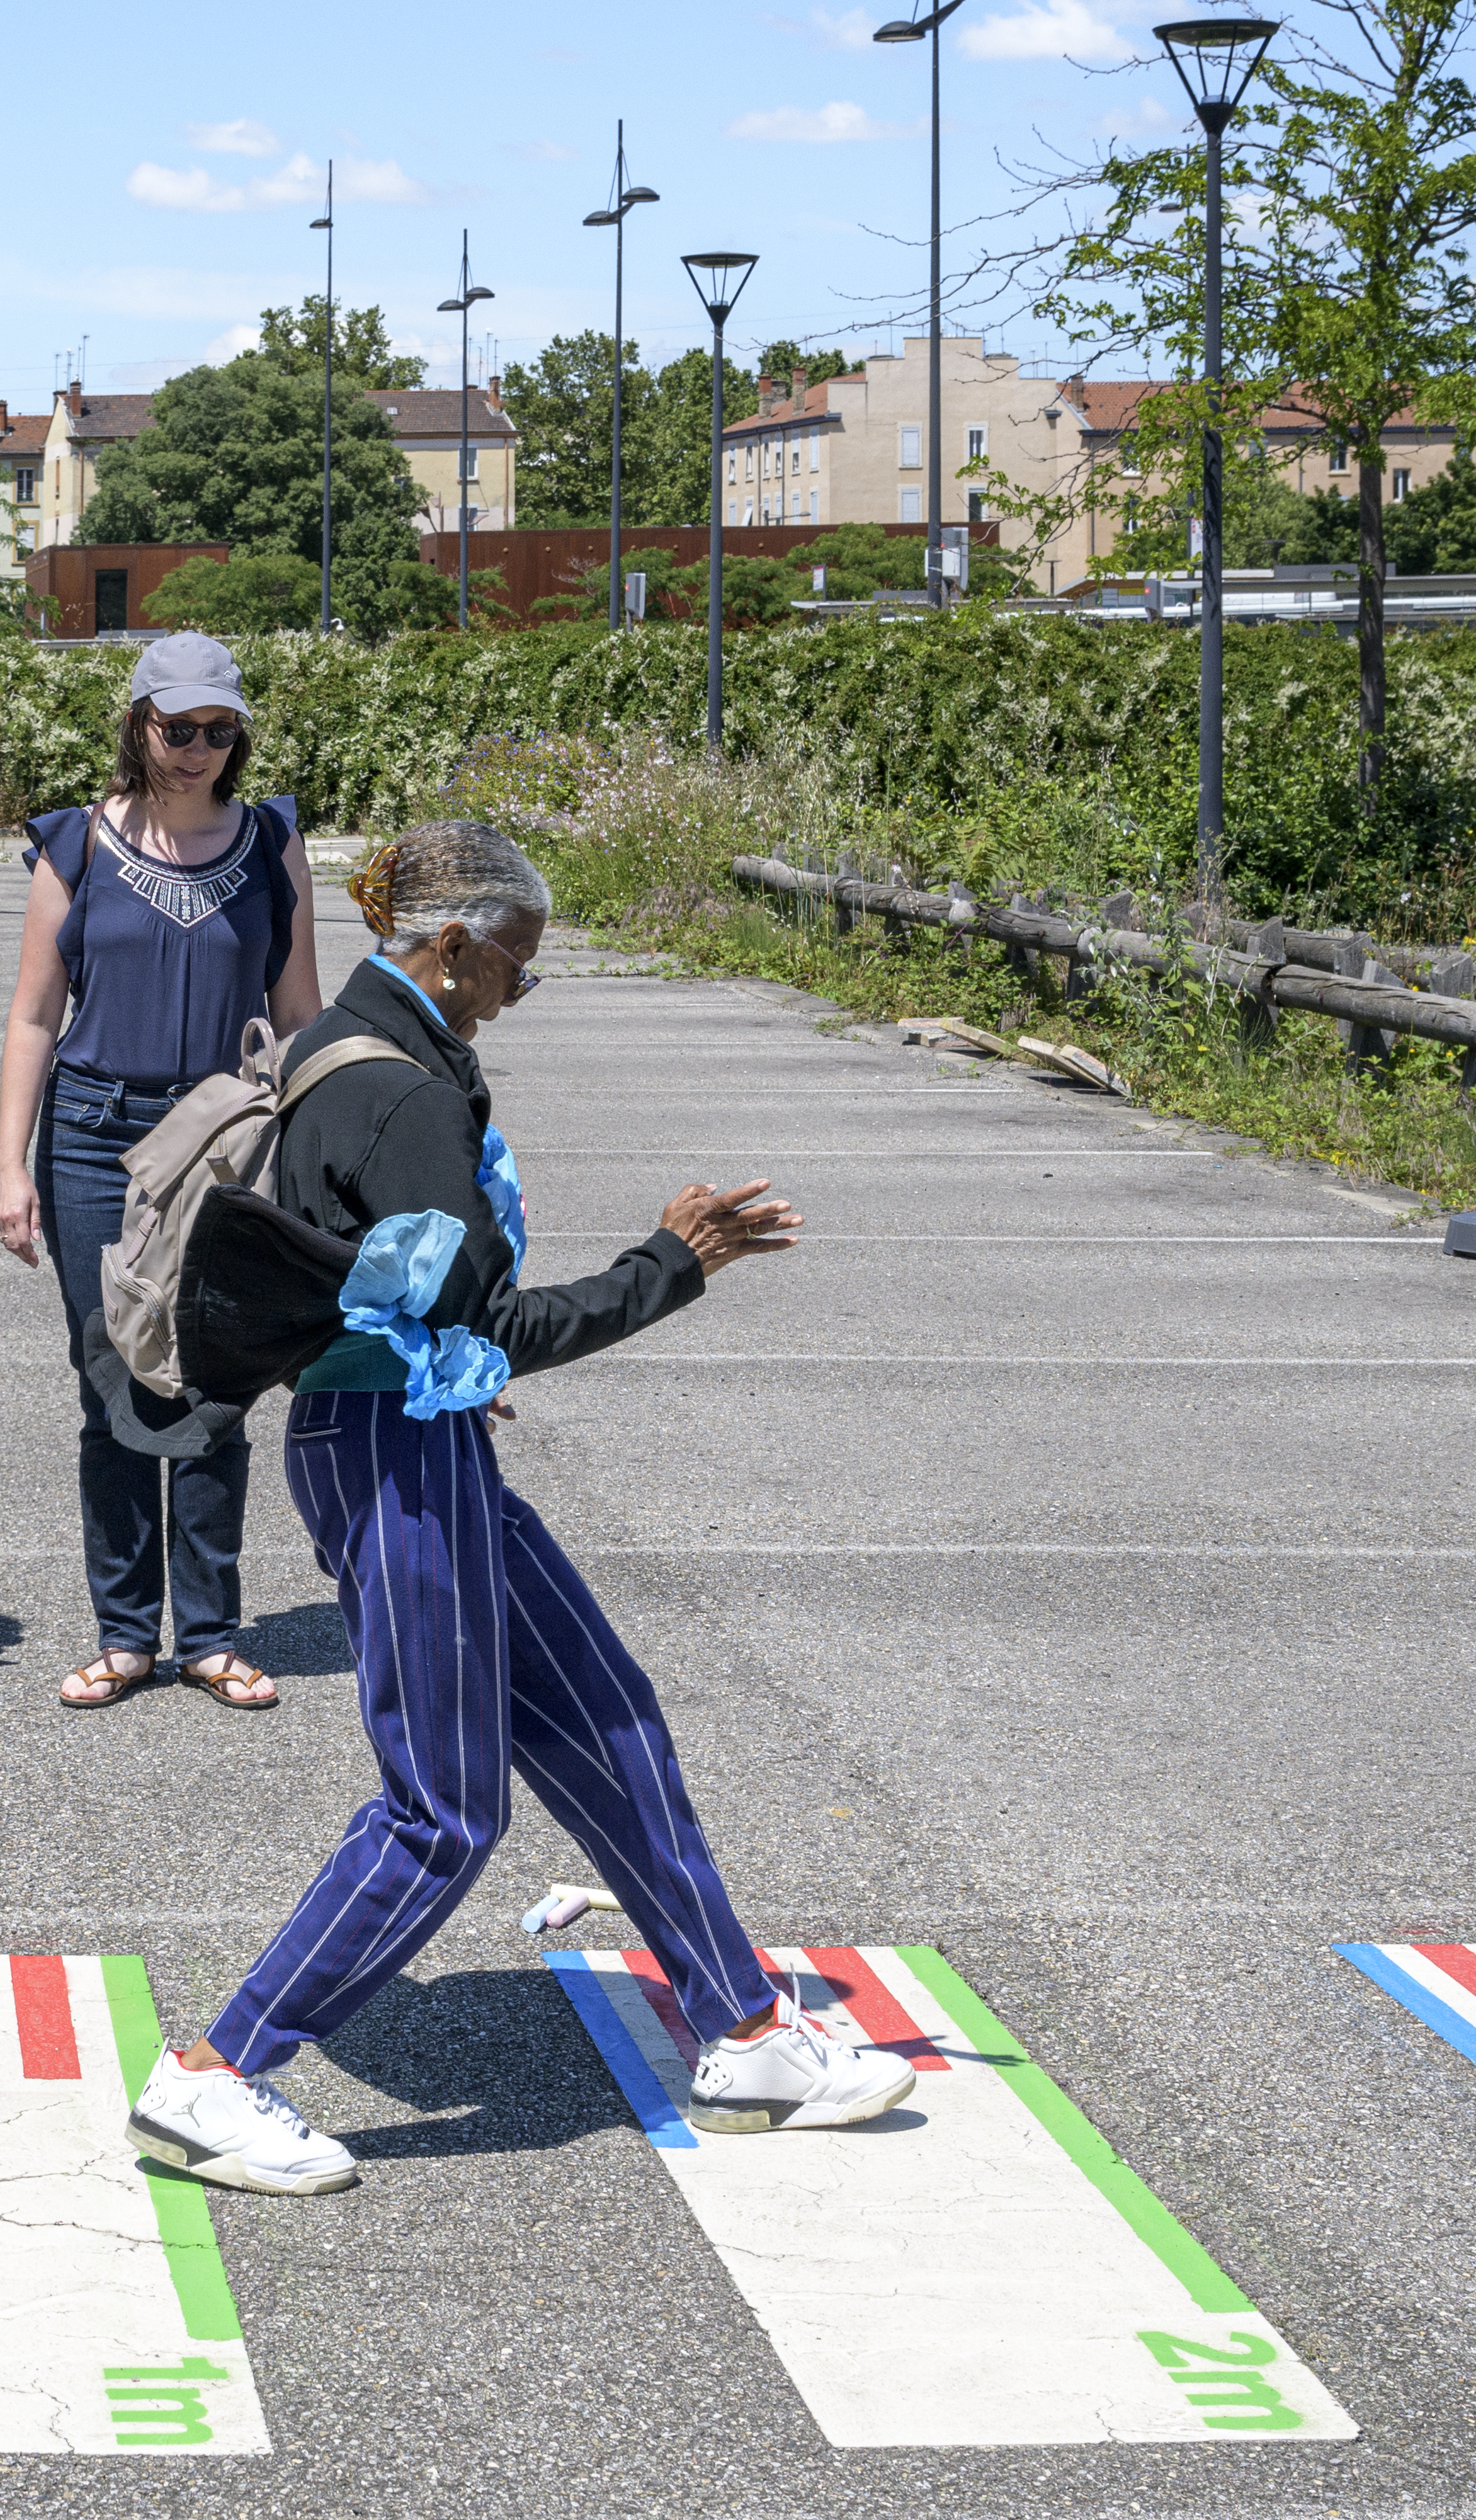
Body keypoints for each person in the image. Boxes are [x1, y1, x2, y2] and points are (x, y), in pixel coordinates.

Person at [123, 822, 912, 2195]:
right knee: (444, 1809)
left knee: (608, 1717)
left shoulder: (351, 1044)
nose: (518, 992)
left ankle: (747, 2031)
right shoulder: (403, 1093)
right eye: (516, 966)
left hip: (410, 1441)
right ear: (452, 945)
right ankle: (213, 2071)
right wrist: (670, 1265)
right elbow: (489, 1326)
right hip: (397, 1452)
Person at [0, 632, 321, 1713]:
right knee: (114, 1377)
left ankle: (212, 1635)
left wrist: (319, 1157)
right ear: (139, 723)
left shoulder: (272, 843)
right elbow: (35, 1016)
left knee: (219, 1380)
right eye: (177, 727)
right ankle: (126, 1632)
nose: (197, 749)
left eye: (218, 731)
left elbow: (299, 1013)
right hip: (96, 1136)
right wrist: (10, 1166)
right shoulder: (79, 844)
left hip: (228, 1136)